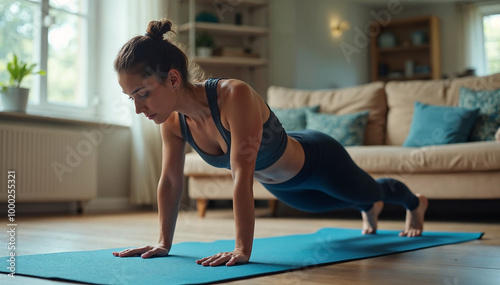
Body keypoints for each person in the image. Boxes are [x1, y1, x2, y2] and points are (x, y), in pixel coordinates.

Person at [112, 19, 428, 267]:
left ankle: (414, 203)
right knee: (337, 201)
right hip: (283, 186)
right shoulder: (172, 122)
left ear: (173, 79)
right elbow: (170, 181)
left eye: (143, 94)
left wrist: (241, 249)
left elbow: (241, 175)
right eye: (132, 98)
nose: (138, 108)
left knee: (371, 191)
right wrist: (163, 243)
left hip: (318, 160)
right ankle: (366, 207)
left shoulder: (234, 96)